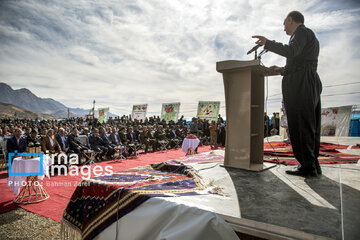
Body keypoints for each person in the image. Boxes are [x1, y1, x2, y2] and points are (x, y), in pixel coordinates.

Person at [253, 11, 322, 177]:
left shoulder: (302, 32)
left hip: (302, 83)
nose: (283, 27)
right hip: (305, 80)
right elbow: (300, 61)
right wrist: (283, 70)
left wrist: (268, 43)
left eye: (284, 23)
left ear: (290, 20)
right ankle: (311, 163)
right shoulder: (304, 35)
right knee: (307, 124)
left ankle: (307, 167)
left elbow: (291, 52)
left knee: (301, 124)